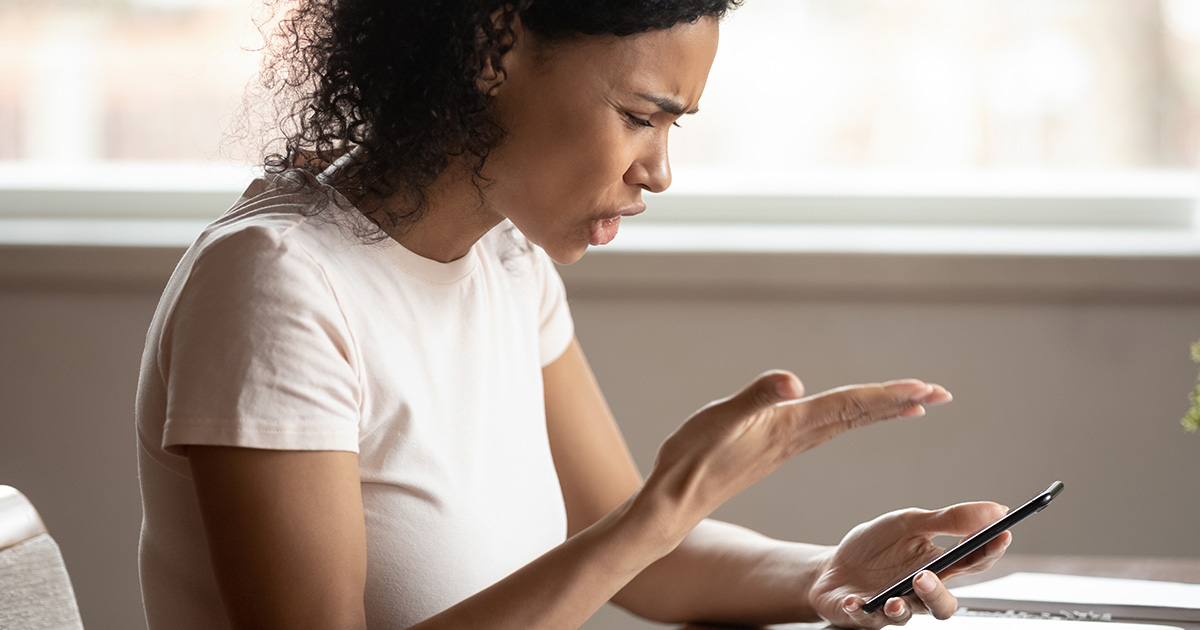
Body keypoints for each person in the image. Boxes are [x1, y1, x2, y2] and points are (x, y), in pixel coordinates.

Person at [135, 2, 1012, 629]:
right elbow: (634, 537)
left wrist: (828, 572)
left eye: (675, 129)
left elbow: (645, 558)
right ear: (493, 44)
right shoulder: (278, 283)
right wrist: (661, 509)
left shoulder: (506, 260)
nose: (659, 172)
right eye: (639, 116)